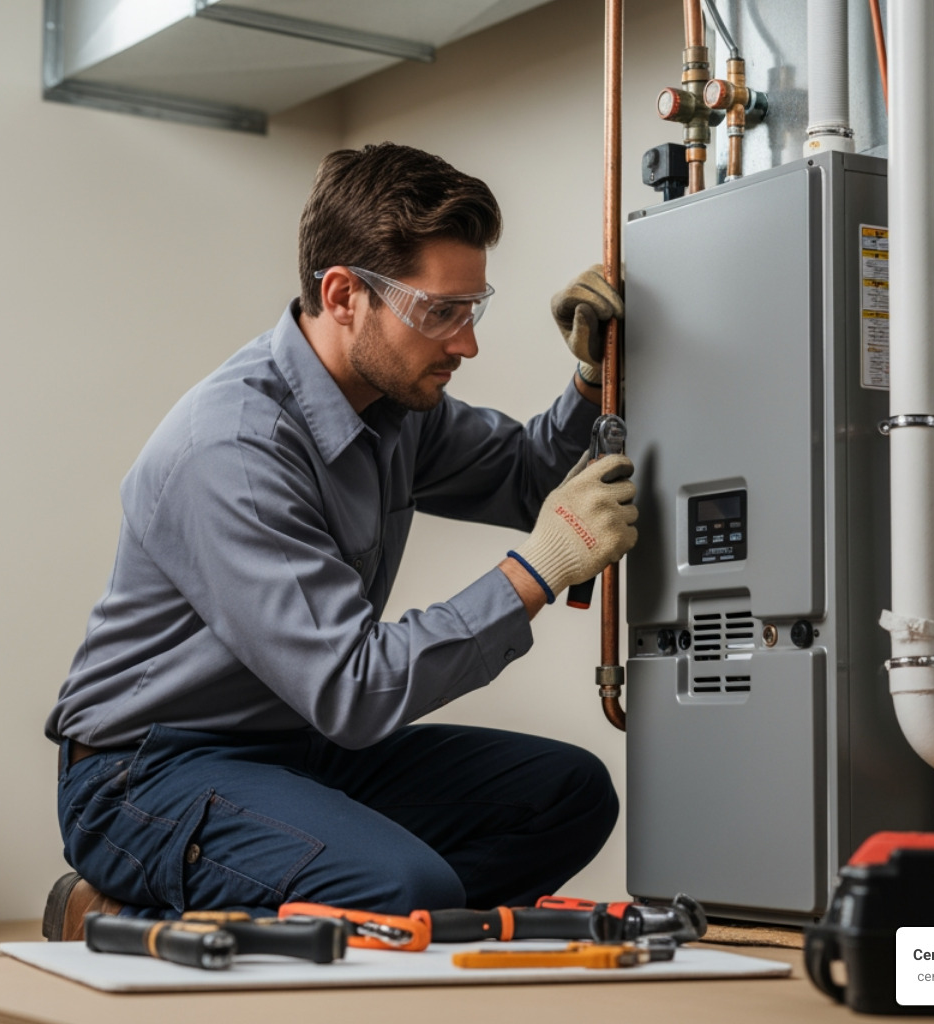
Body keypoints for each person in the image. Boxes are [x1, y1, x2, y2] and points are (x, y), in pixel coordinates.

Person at [42, 142, 637, 941]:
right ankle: (119, 909)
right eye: (441, 312)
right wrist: (534, 573)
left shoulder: (392, 407)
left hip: (298, 747)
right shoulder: (235, 449)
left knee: (571, 793)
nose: (466, 344)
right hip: (145, 773)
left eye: (473, 308)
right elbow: (354, 689)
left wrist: (589, 382)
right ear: (343, 293)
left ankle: (374, 913)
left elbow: (529, 477)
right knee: (404, 889)